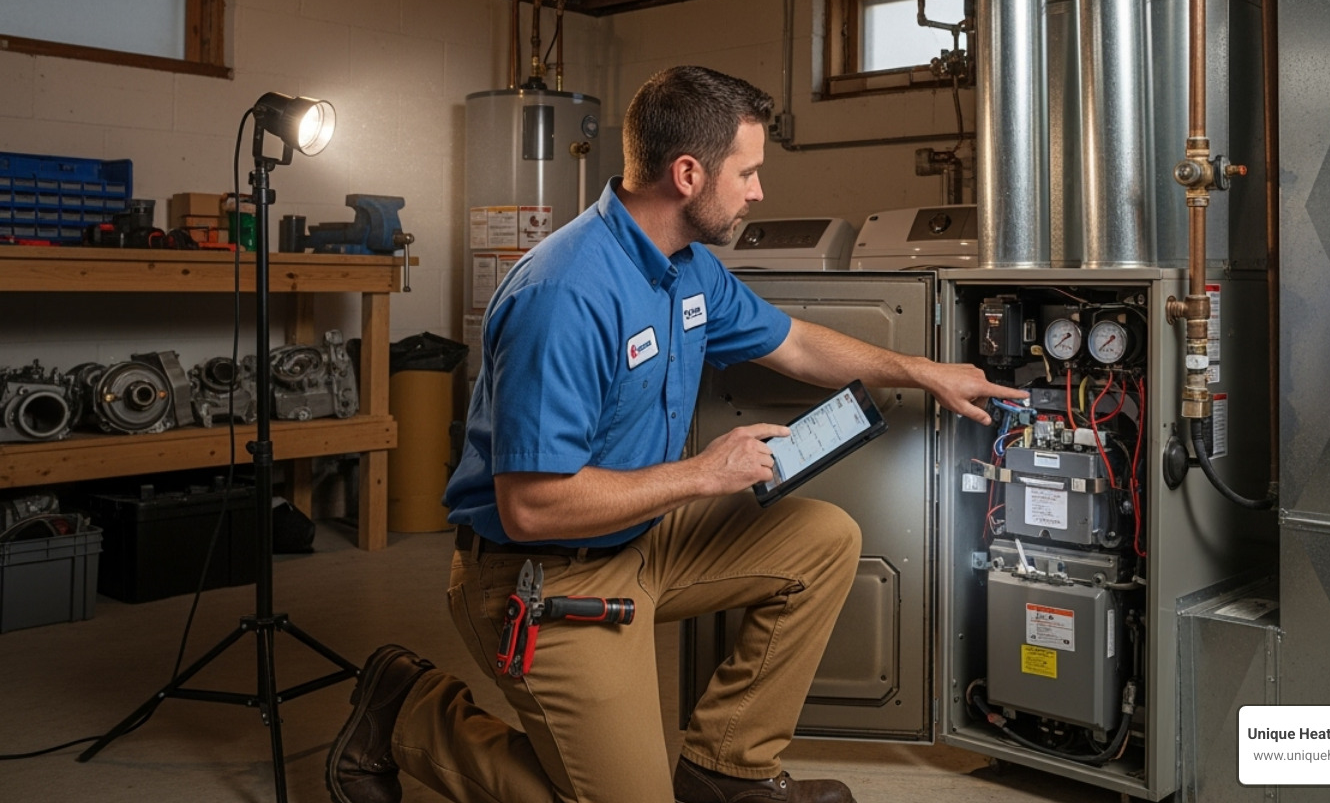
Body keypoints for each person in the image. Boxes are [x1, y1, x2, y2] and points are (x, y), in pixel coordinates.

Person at [327, 66, 1019, 803]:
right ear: (688, 175)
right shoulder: (565, 295)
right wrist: (703, 474)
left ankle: (725, 768)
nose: (758, 192)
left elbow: (793, 344)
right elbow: (531, 506)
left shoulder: (684, 269)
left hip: (641, 537)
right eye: (747, 173)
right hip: (540, 571)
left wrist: (921, 371)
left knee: (822, 540)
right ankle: (408, 712)